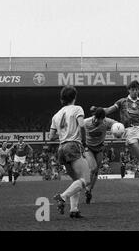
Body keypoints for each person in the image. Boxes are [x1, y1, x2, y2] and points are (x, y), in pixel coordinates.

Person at [49, 85, 91, 218]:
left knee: (77, 181)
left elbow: (51, 137)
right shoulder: (77, 108)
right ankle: (62, 197)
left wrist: (64, 134)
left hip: (61, 148)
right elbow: (82, 125)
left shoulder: (56, 115)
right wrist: (84, 141)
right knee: (86, 179)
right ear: (74, 97)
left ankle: (74, 210)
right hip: (73, 146)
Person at [83, 107, 118, 203]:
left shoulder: (106, 121)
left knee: (96, 171)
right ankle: (86, 187)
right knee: (93, 168)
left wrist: (118, 128)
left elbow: (116, 124)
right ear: (95, 117)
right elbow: (76, 126)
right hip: (88, 148)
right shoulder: (86, 122)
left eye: (103, 120)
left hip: (99, 148)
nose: (101, 121)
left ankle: (89, 191)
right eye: (100, 120)